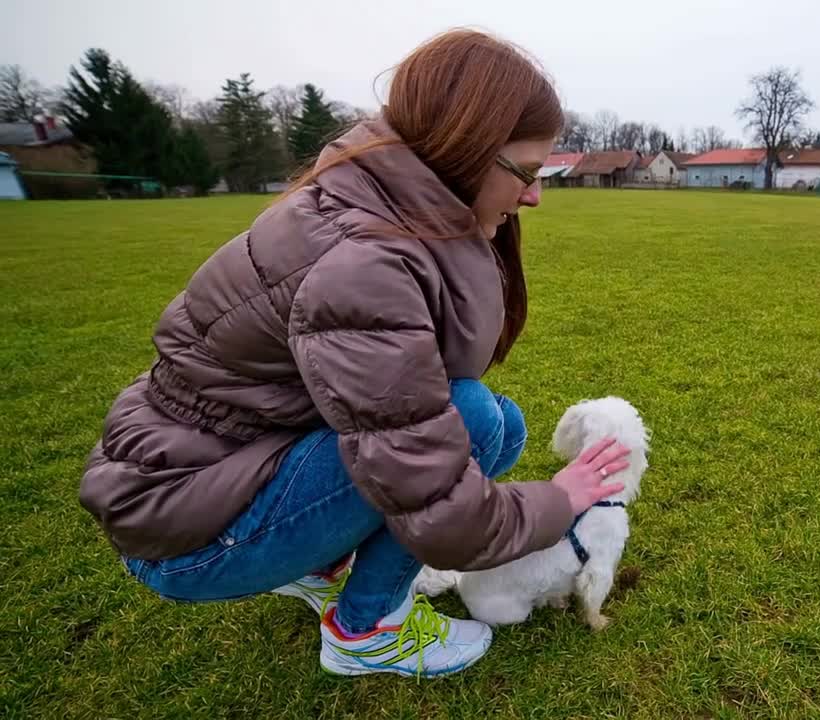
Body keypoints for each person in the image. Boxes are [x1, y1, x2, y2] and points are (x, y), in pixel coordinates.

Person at [78, 30, 629, 679]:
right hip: (186, 537)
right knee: (473, 421)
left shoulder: (370, 208)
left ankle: (317, 562)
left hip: (200, 484)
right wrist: (561, 500)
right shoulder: (366, 266)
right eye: (526, 174)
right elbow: (437, 503)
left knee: (498, 424)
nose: (534, 197)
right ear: (466, 150)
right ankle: (365, 631)